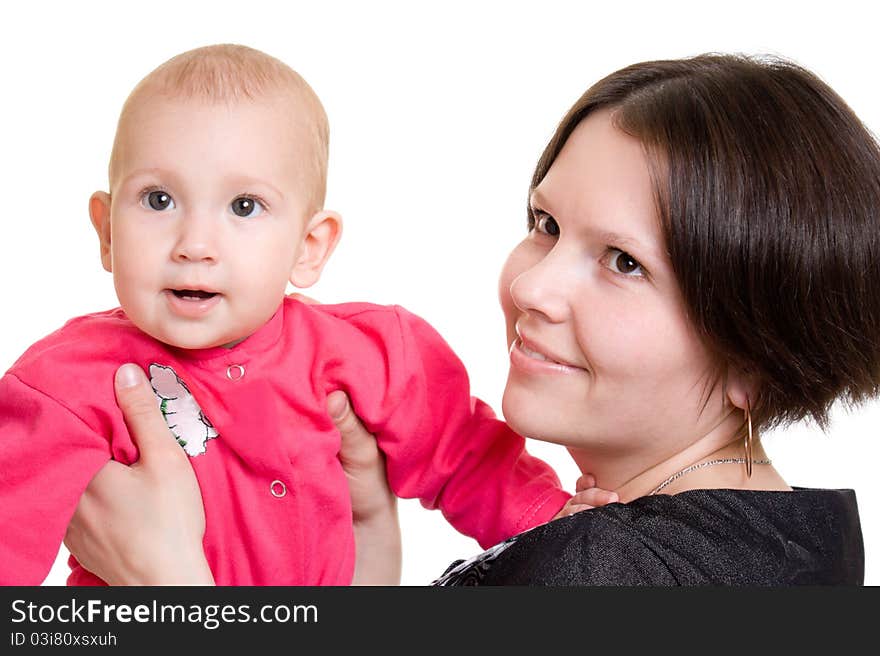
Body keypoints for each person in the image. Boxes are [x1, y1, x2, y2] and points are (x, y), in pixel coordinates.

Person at [67, 53, 875, 585]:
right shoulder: (811, 538)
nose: (533, 287)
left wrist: (168, 591)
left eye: (624, 263)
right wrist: (374, 528)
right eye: (546, 225)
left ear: (757, 358)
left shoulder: (591, 571)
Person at [0, 43, 575, 586]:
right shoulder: (62, 385)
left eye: (243, 206)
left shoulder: (370, 353)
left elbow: (467, 457)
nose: (194, 243)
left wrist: (562, 526)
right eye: (159, 200)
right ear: (105, 232)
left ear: (309, 246)